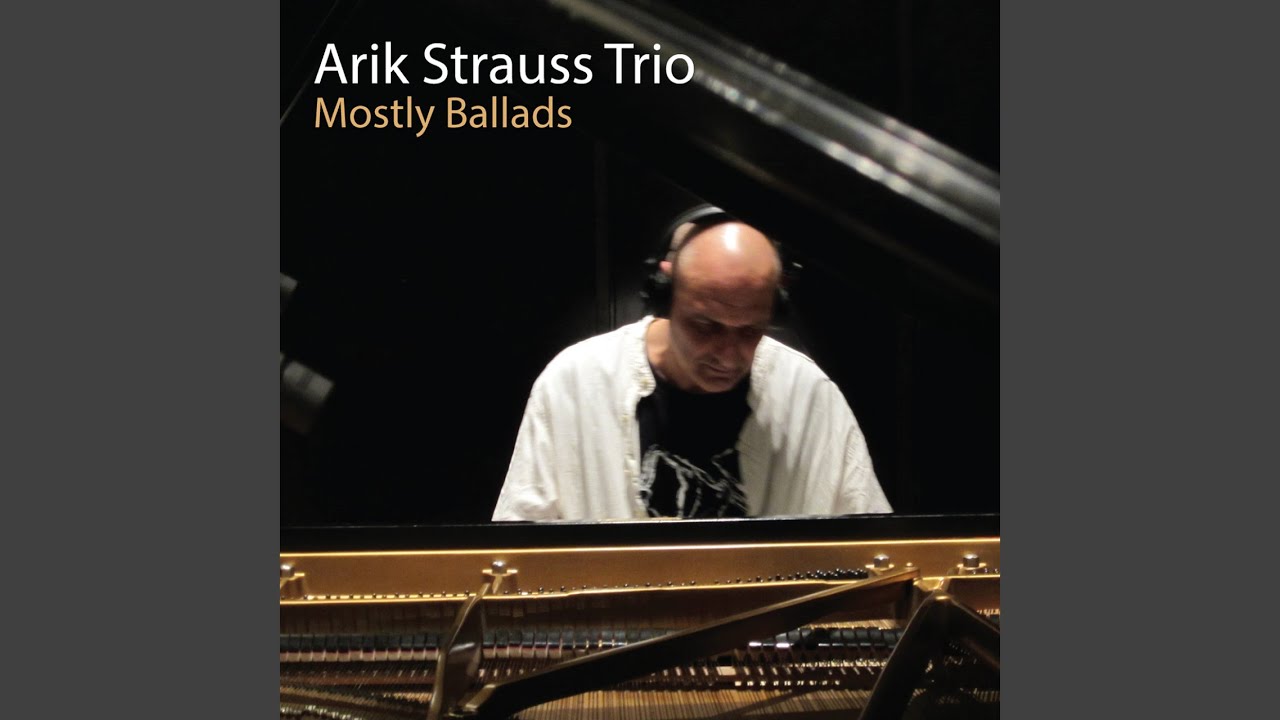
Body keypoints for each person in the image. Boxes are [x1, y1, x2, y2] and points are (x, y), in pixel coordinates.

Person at [492, 206, 892, 521]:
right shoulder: (575, 383)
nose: (728, 354)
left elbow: (871, 545)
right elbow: (519, 549)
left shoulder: (810, 396)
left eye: (750, 331)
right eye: (706, 326)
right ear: (665, 299)